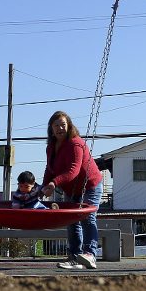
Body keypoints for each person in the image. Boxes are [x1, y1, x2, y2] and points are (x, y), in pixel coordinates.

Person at [41, 111, 103, 270]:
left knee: (87, 217)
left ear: (68, 126)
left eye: (63, 124)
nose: (60, 128)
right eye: (56, 125)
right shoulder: (51, 147)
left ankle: (90, 254)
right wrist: (43, 187)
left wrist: (54, 183)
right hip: (71, 189)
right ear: (51, 129)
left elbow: (73, 171)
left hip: (89, 186)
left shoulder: (76, 143)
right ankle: (75, 256)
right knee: (71, 221)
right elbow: (49, 170)